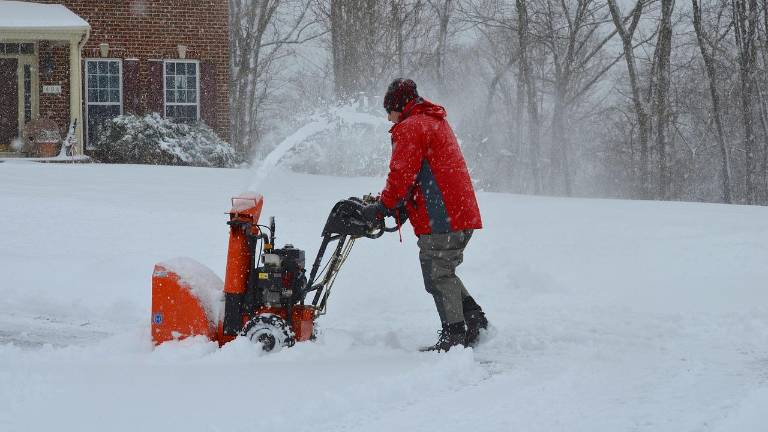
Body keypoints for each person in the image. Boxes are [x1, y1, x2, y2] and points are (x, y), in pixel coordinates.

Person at [362, 78, 488, 352]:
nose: (388, 118)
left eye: (389, 111)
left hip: (443, 216)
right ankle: (474, 319)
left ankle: (454, 336)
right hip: (458, 211)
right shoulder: (433, 121)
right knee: (444, 271)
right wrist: (395, 204)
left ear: (399, 106)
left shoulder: (410, 127)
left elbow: (402, 175)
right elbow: (422, 173)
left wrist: (384, 205)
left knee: (437, 274)